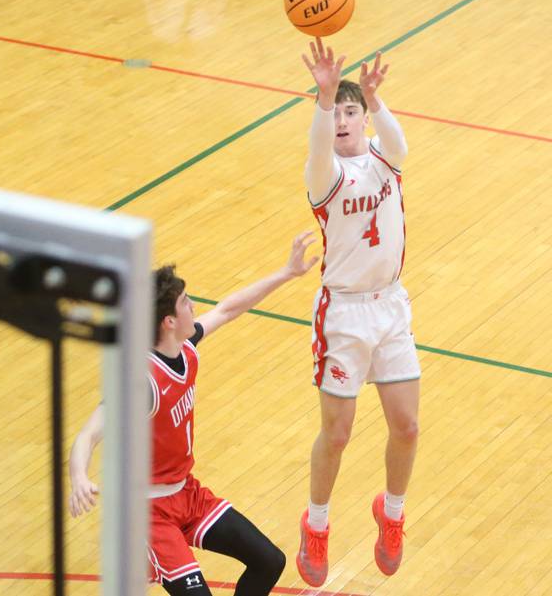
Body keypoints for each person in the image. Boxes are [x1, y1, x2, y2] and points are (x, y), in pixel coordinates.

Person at [69, 231, 319, 596]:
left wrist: (286, 272)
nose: (194, 306)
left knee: (269, 561)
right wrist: (78, 475)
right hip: (150, 511)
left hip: (187, 492)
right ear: (168, 321)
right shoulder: (142, 381)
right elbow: (88, 434)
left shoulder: (185, 347)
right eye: (186, 302)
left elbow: (229, 308)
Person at [294, 37, 421, 587]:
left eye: (352, 112)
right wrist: (324, 98)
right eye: (337, 113)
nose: (344, 120)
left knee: (408, 426)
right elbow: (320, 148)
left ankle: (391, 514)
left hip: (390, 306)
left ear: (364, 119)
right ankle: (315, 523)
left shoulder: (384, 159)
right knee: (339, 433)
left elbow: (400, 144)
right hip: (343, 315)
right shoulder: (324, 176)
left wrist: (375, 99)